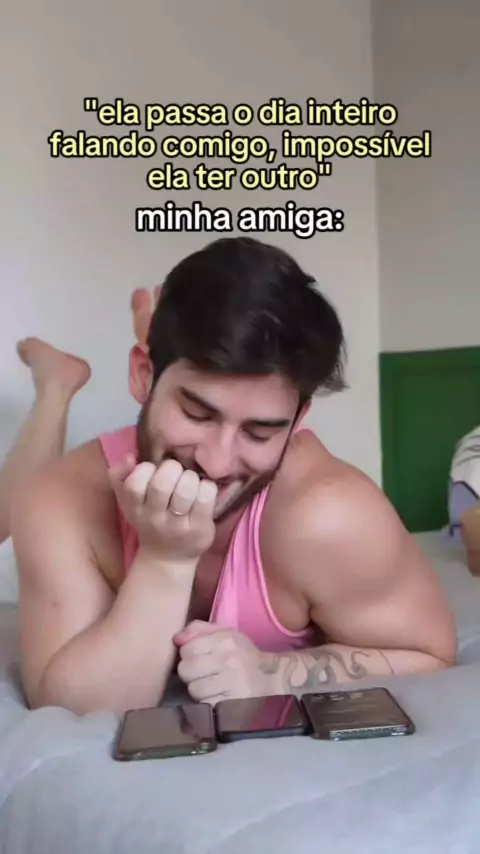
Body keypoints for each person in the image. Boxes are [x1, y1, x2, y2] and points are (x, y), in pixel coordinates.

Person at [9, 237, 456, 716]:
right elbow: (76, 710)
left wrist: (274, 672)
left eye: (260, 432)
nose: (218, 463)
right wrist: (165, 560)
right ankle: (57, 387)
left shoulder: (328, 515)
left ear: (298, 420)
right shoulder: (62, 498)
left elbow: (428, 654)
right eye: (197, 413)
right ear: (142, 376)